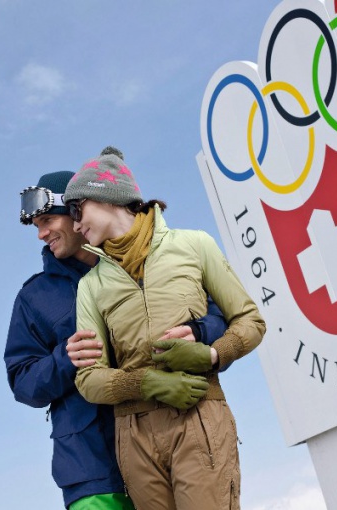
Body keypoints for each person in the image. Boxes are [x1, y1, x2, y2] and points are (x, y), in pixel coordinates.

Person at [4, 169, 228, 509]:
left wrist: (199, 333)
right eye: (36, 226)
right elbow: (22, 381)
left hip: (173, 440)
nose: (41, 234)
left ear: (77, 210)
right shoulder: (34, 298)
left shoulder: (149, 261)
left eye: (47, 220)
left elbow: (220, 316)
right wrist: (64, 359)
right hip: (93, 473)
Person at [63, 147, 266, 510]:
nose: (75, 225)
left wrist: (213, 353)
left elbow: (250, 320)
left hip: (200, 416)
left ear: (107, 197)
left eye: (77, 210)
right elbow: (88, 379)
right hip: (134, 437)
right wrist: (144, 383)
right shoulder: (90, 286)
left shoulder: (194, 245)